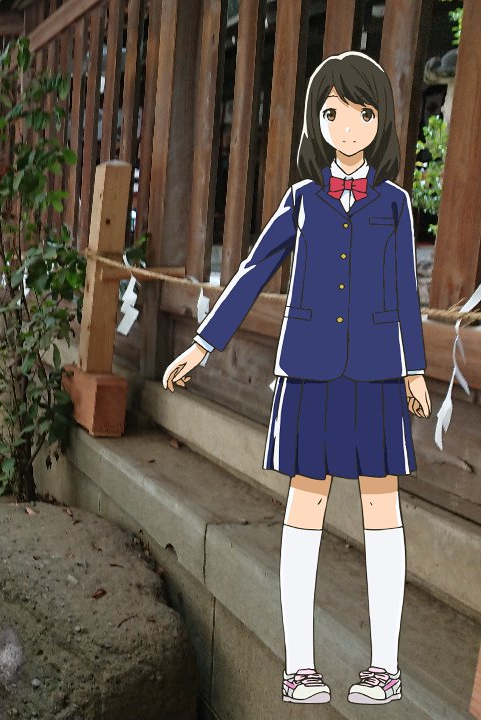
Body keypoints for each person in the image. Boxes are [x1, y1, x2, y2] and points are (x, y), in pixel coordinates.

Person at [164, 51, 428, 707]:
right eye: (333, 113)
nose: (347, 127)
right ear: (318, 120)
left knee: (382, 507)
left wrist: (415, 369)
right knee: (305, 504)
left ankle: (385, 667)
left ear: (380, 121)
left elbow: (404, 292)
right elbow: (254, 269)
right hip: (309, 369)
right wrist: (203, 343)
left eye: (362, 113)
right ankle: (300, 667)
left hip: (376, 373)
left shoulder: (395, 204)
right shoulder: (302, 199)